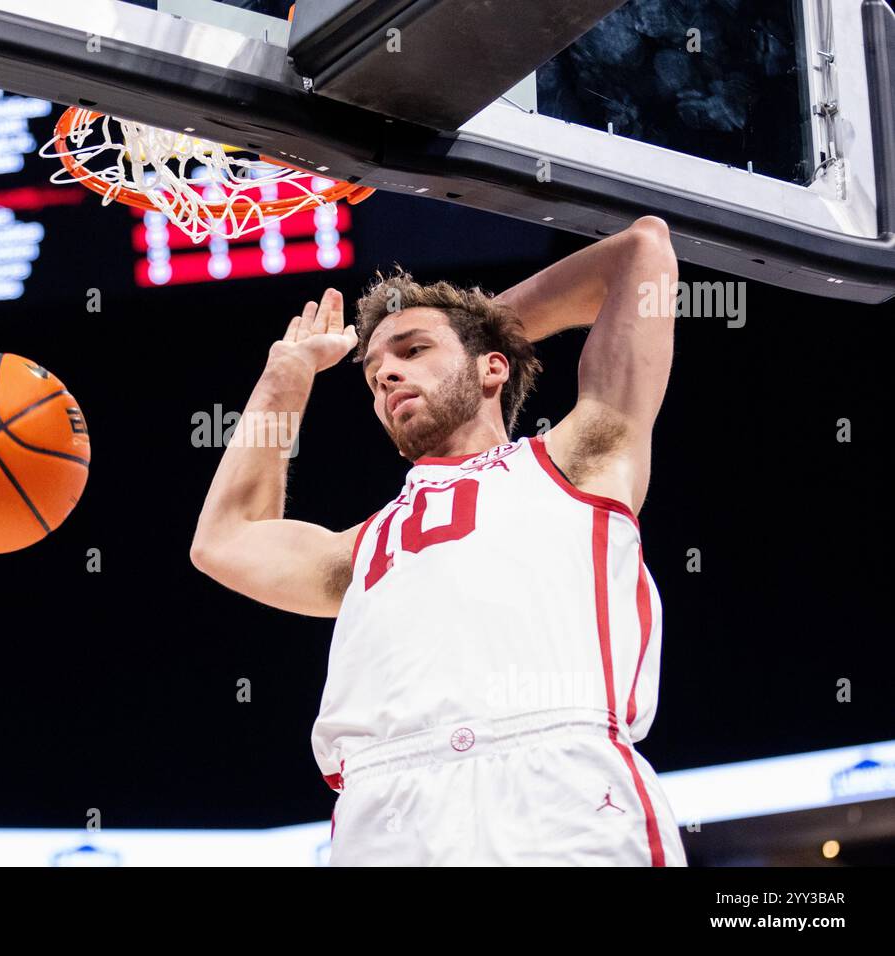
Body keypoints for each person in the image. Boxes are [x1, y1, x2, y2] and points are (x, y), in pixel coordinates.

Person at [190, 215, 687, 865]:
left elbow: (640, 251)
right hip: (385, 808)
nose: (386, 376)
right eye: (373, 374)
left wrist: (479, 328)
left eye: (412, 352)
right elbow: (224, 540)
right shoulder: (365, 548)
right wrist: (284, 380)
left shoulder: (578, 462)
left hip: (557, 790)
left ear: (492, 370)